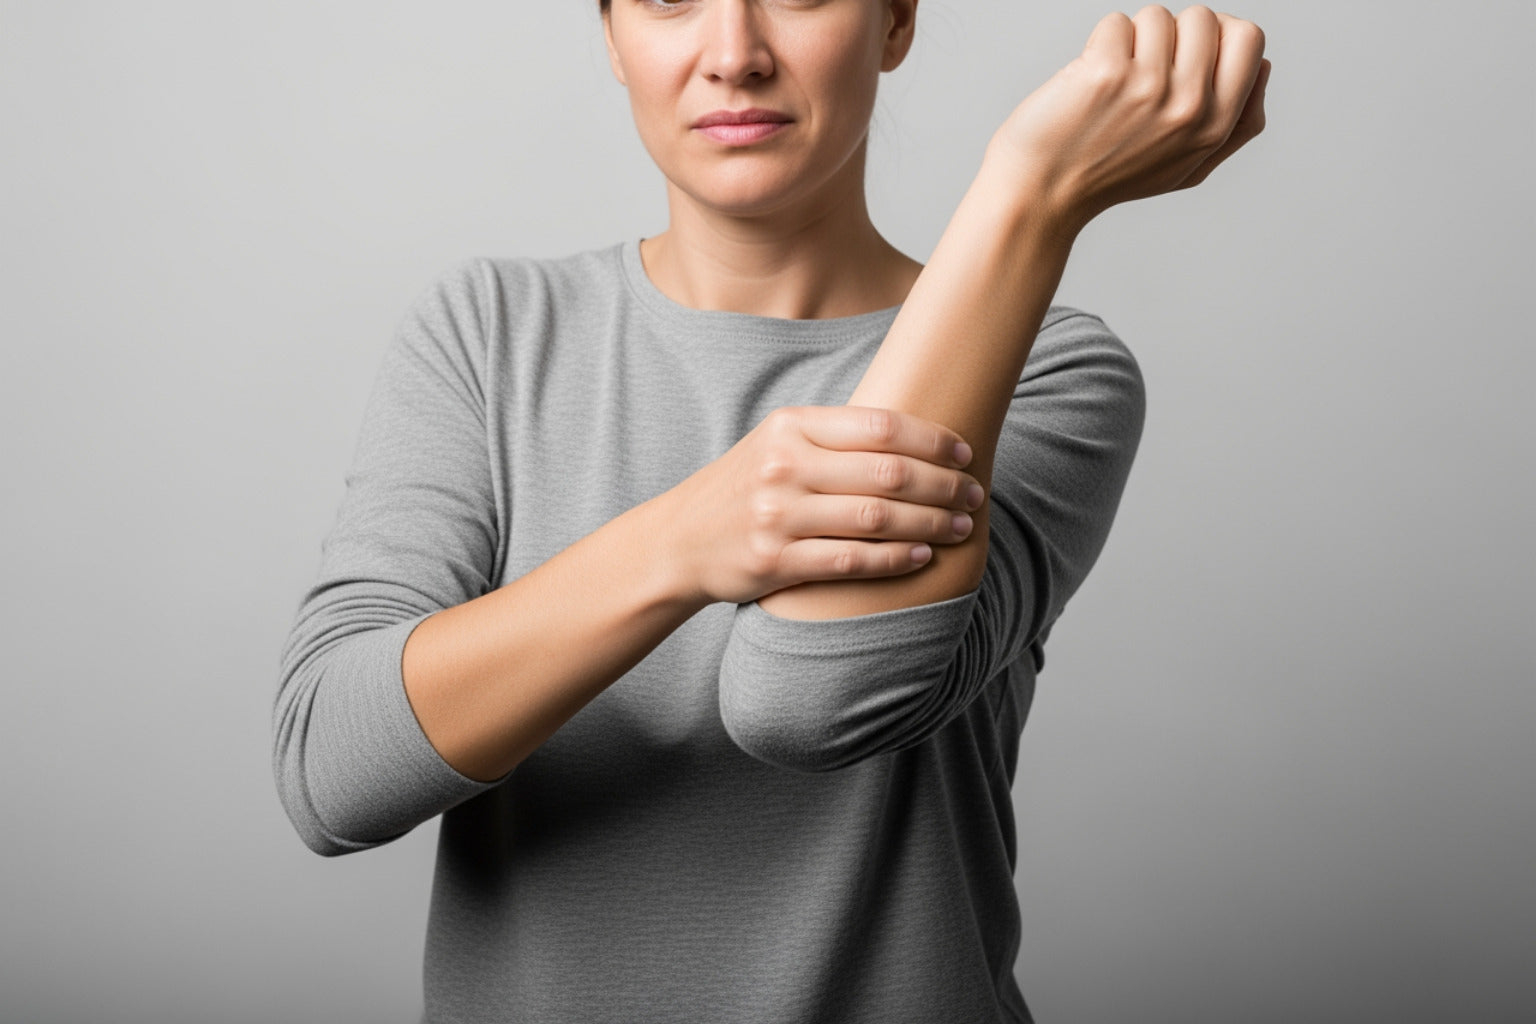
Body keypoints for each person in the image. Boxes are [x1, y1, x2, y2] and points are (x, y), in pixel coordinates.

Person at [272, 2, 1268, 1021]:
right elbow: (333, 773)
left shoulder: (1048, 371)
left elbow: (808, 702)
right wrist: (684, 540)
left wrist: (1027, 198)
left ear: (894, 22)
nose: (735, 57)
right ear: (612, 37)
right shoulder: (487, 335)